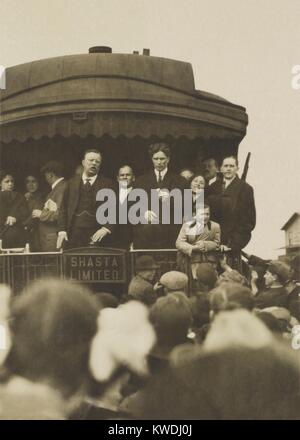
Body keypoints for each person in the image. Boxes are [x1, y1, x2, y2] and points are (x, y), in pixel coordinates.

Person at [57, 149, 116, 249]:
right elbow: (63, 209)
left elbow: (116, 209)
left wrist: (106, 228)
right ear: (83, 162)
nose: (94, 163)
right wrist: (62, 231)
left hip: (98, 233)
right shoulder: (71, 183)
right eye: (91, 160)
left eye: (97, 161)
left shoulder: (109, 184)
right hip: (74, 234)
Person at [133, 143, 188, 249]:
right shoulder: (141, 181)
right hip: (146, 235)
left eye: (162, 158)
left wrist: (170, 199)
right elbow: (132, 205)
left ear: (168, 159)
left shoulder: (180, 181)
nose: (159, 162)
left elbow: (187, 207)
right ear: (151, 159)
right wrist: (143, 212)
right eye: (156, 158)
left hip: (171, 234)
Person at [208, 155, 256, 254]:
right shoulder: (213, 187)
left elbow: (248, 222)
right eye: (225, 166)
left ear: (237, 168)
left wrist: (233, 244)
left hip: (231, 246)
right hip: (212, 244)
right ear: (220, 168)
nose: (228, 169)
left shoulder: (245, 189)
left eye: (231, 166)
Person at [176, 204, 220, 279]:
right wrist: (193, 248)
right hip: (190, 260)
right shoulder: (187, 226)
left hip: (208, 260)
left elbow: (217, 243)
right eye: (202, 214)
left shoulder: (215, 226)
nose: (205, 216)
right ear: (195, 215)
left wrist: (205, 245)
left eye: (207, 214)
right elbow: (179, 243)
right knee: (192, 283)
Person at [30, 162, 67, 252]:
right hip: (49, 238)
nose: (45, 178)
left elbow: (60, 213)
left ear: (50, 175)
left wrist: (41, 214)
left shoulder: (62, 188)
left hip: (52, 239)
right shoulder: (58, 188)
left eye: (45, 175)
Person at [0, 171, 29, 249]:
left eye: (12, 181)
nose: (10, 184)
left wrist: (16, 217)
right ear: (0, 183)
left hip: (16, 235)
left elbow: (25, 213)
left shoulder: (19, 196)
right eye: (7, 181)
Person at [113, 165, 135, 249]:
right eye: (122, 175)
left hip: (133, 239)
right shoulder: (111, 195)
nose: (125, 177)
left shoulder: (140, 195)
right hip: (114, 240)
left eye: (128, 175)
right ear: (117, 178)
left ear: (133, 178)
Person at [23, 175, 45, 251]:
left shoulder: (41, 197)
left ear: (38, 183)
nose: (30, 185)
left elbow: (34, 215)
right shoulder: (23, 197)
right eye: (28, 182)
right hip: (25, 232)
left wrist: (21, 225)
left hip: (36, 231)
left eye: (33, 181)